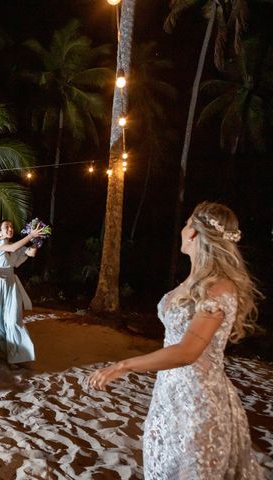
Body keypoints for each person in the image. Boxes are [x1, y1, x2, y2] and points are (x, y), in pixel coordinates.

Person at [88, 202, 264, 479]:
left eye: (186, 222)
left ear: (193, 233)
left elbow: (187, 351)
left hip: (198, 399)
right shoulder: (193, 281)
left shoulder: (219, 287)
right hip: (167, 393)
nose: (182, 229)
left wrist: (123, 365)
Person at [0, 220, 43, 366]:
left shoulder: (16, 248)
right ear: (0, 232)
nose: (10, 228)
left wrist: (37, 240)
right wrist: (29, 236)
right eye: (6, 226)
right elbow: (14, 247)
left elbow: (31, 253)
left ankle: (15, 355)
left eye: (11, 226)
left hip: (10, 284)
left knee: (13, 318)